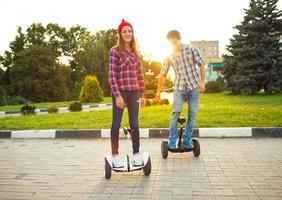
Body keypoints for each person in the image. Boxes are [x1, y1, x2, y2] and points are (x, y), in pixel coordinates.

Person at [155, 30, 206, 149]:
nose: (173, 45)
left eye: (175, 42)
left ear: (180, 39)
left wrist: (202, 81)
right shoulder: (169, 55)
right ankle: (172, 141)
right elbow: (162, 74)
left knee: (192, 114)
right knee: (175, 113)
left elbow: (202, 64)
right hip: (179, 87)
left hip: (193, 87)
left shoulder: (191, 49)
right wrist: (158, 92)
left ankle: (187, 140)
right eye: (171, 43)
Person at [108, 19, 146, 167]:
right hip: (120, 92)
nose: (127, 33)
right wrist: (117, 95)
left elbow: (140, 75)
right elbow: (112, 75)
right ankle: (115, 155)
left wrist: (142, 94)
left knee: (135, 124)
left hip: (134, 92)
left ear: (132, 33)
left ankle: (136, 153)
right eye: (124, 31)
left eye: (129, 31)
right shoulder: (115, 51)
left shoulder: (136, 53)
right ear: (120, 34)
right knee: (116, 124)